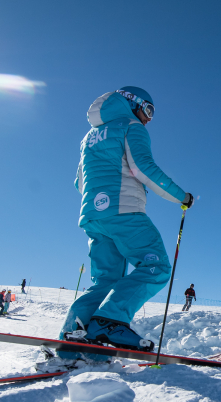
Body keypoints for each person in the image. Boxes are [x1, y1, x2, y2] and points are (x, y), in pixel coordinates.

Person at [58, 86, 193, 357]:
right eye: (148, 110)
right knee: (157, 266)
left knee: (105, 280)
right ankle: (111, 320)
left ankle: (73, 339)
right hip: (124, 211)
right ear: (132, 103)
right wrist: (183, 196)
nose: (149, 119)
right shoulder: (130, 126)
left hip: (93, 216)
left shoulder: (89, 137)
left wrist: (100, 198)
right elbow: (143, 168)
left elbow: (79, 183)